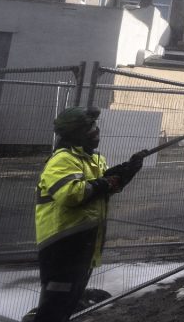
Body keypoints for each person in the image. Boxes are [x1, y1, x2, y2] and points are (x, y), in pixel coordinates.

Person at [29, 107, 142, 322]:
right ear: (76, 133)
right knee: (55, 304)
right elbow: (72, 194)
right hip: (62, 245)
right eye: (90, 127)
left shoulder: (92, 159)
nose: (96, 131)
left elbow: (103, 187)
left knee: (69, 300)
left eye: (95, 126)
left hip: (84, 243)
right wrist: (107, 182)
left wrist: (126, 172)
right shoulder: (62, 159)